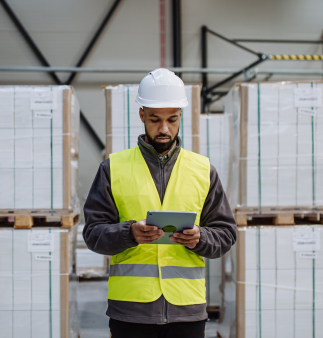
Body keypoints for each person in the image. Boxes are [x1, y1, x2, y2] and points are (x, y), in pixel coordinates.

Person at [83, 68, 237, 338]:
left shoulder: (203, 170)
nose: (164, 128)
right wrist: (129, 233)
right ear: (142, 115)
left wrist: (200, 238)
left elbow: (226, 234)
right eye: (155, 119)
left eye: (172, 119)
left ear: (181, 115)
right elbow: (93, 234)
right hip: (130, 312)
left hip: (186, 311)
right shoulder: (113, 168)